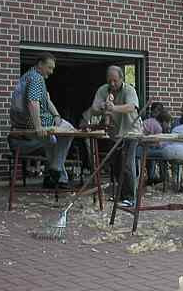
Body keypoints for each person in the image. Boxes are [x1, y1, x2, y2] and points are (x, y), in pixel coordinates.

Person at [9, 52, 76, 188]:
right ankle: (56, 170)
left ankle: (54, 179)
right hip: (34, 123)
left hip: (23, 123)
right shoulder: (36, 78)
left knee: (51, 143)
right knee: (70, 130)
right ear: (40, 64)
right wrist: (38, 126)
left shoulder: (27, 76)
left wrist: (57, 116)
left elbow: (47, 99)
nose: (51, 72)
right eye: (49, 68)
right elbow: (33, 102)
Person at [89, 65, 142, 207]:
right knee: (117, 165)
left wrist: (114, 108)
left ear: (122, 79)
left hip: (131, 131)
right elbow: (93, 109)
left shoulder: (129, 90)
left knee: (127, 165)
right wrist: (102, 107)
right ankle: (120, 195)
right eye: (109, 81)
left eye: (115, 81)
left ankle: (130, 198)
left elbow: (132, 107)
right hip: (114, 133)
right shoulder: (103, 90)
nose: (112, 84)